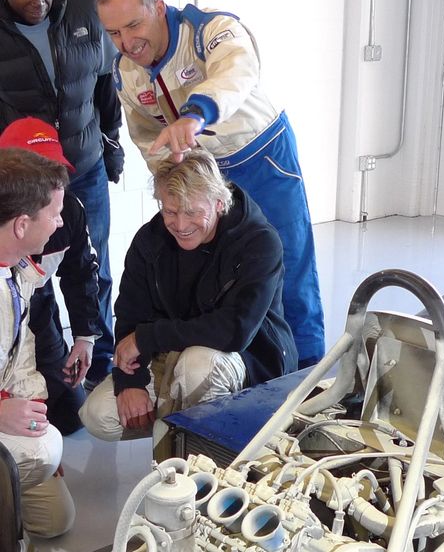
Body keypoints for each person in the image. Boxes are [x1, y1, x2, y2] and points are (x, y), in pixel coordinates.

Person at [95, 0, 324, 369]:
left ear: (158, 9)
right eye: (114, 33)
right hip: (204, 172)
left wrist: (196, 115)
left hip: (261, 155)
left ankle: (306, 378)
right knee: (219, 275)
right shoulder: (125, 73)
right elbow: (149, 137)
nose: (127, 43)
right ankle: (244, 373)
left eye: (134, 25)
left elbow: (238, 71)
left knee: (288, 267)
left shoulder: (210, 29)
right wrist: (170, 178)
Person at [80, 151, 297, 444]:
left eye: (192, 212)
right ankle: (189, 432)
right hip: (172, 352)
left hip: (245, 358)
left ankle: (199, 462)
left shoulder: (259, 241)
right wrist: (130, 383)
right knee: (98, 415)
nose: (180, 225)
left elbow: (235, 330)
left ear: (219, 203)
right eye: (170, 211)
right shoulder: (149, 241)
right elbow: (130, 316)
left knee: (197, 368)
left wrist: (148, 338)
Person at [0, 0, 124, 387]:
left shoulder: (87, 8)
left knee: (92, 264)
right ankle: (35, 365)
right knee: (28, 274)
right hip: (22, 175)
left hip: (81, 163)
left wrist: (112, 147)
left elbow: (107, 86)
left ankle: (99, 359)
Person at [0, 117, 101, 436]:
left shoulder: (67, 212)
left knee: (68, 416)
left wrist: (84, 337)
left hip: (36, 307)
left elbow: (81, 272)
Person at [0, 148, 75, 538]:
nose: (60, 222)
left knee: (54, 520)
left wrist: (33, 417)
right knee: (41, 451)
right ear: (22, 224)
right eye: (54, 214)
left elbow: (21, 356)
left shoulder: (16, 270)